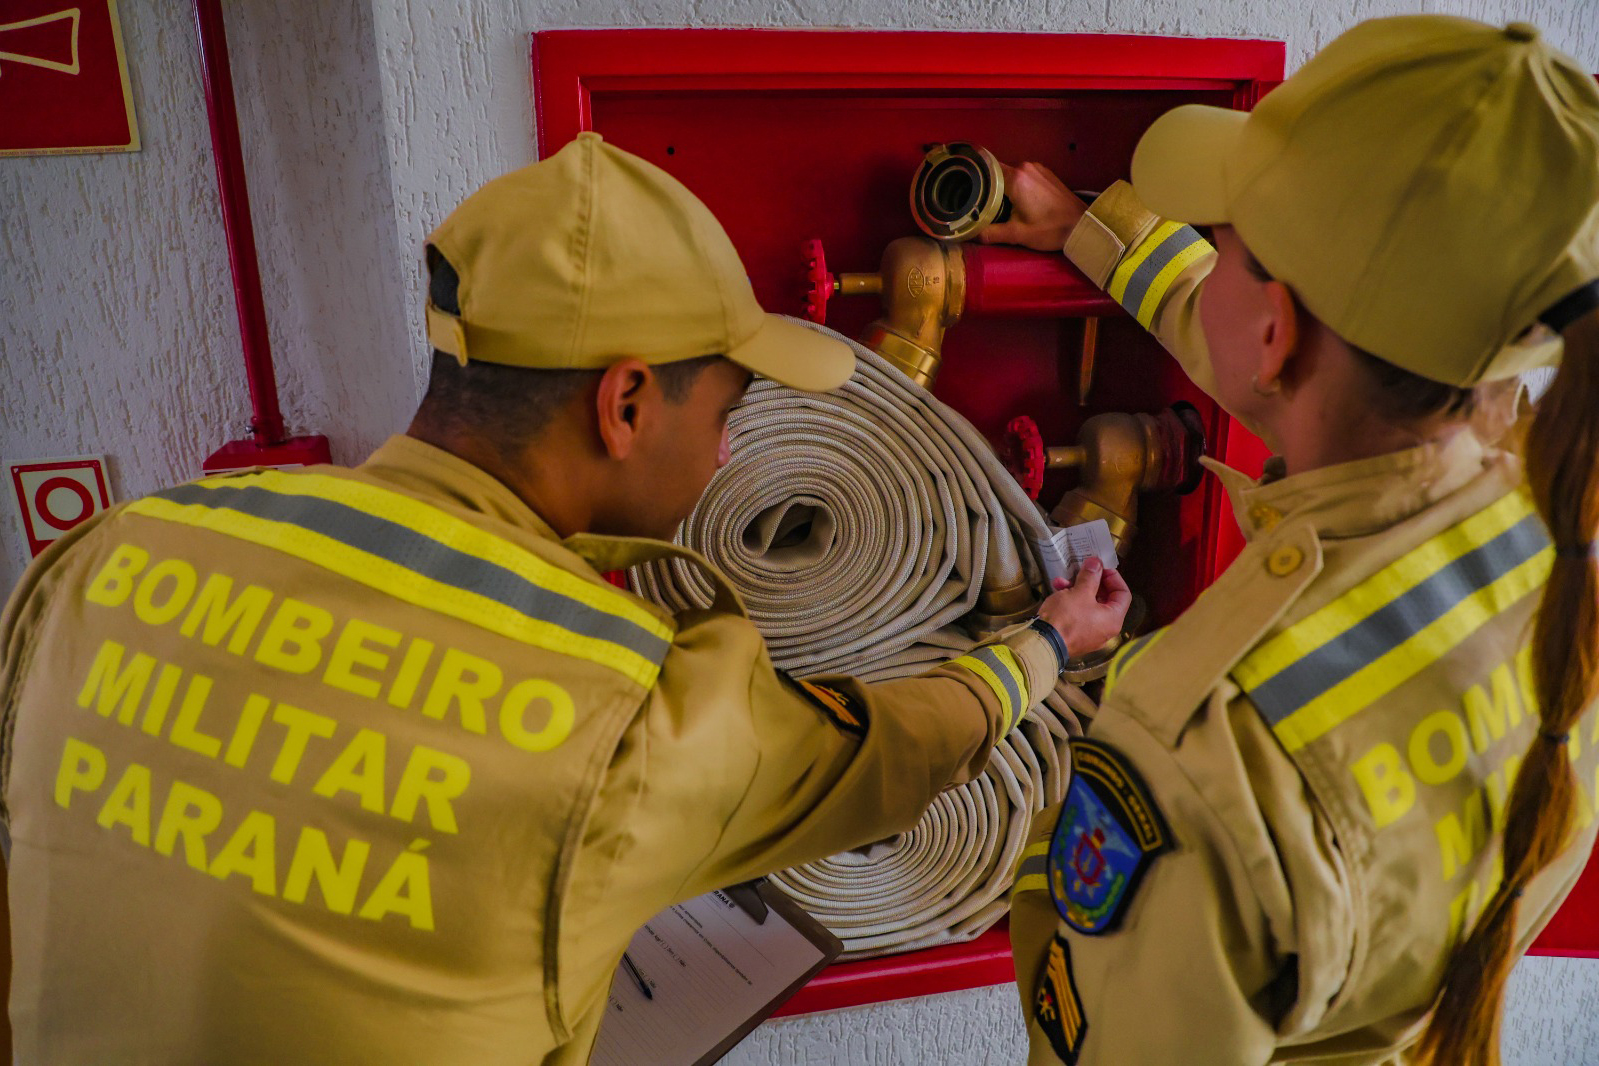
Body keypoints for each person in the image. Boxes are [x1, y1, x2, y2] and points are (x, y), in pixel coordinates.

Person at [0, 133, 1132, 1064]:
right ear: (625, 403)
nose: (731, 446)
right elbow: (881, 755)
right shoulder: (631, 708)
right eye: (729, 407)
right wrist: (1045, 644)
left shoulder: (107, 556)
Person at [982, 15, 1599, 1066]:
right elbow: (1278, 350)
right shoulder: (1553, 528)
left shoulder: (1195, 764)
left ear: (1274, 330)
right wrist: (1096, 231)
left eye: (1223, 241)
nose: (1211, 257)